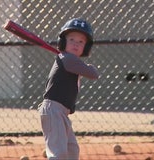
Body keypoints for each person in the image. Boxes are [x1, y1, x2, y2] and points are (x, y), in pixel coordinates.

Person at [38, 18, 99, 159]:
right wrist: (90, 67)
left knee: (72, 151)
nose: (76, 44)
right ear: (63, 42)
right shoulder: (68, 59)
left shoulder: (70, 60)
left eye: (80, 41)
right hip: (53, 110)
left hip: (61, 112)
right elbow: (93, 74)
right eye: (71, 39)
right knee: (58, 153)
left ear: (86, 46)